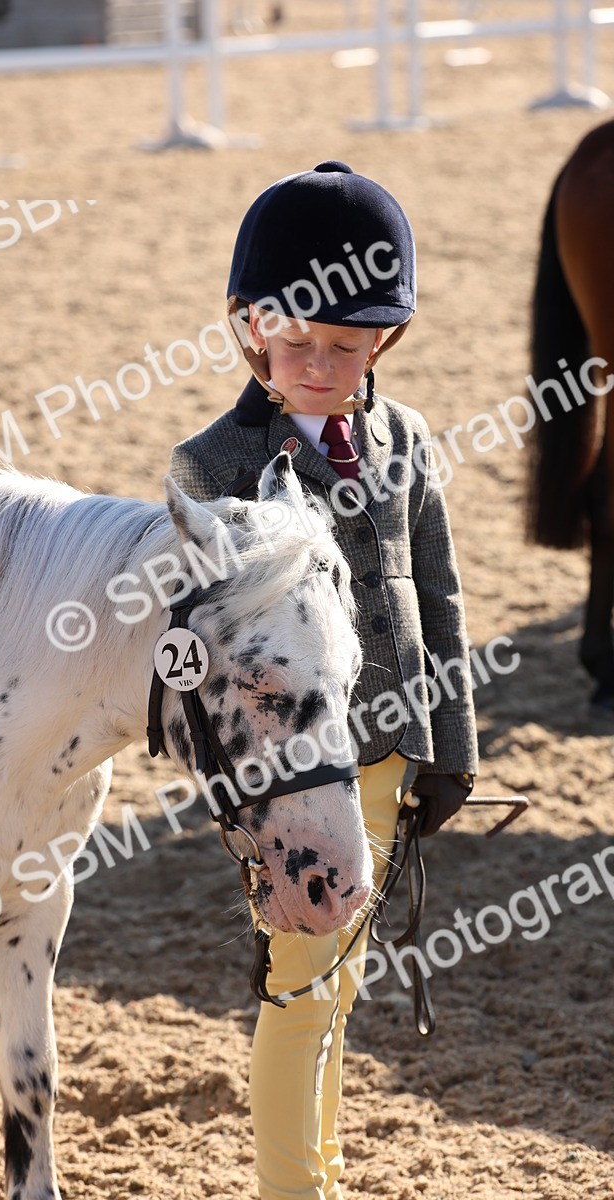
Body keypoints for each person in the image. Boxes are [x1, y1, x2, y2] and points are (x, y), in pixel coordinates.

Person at [169, 161, 478, 1200]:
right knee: (299, 993)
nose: (314, 364)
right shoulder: (209, 469)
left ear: (381, 339)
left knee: (336, 990)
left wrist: (453, 752)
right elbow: (201, 660)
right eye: (291, 340)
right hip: (295, 783)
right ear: (247, 324)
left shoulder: (404, 439)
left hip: (388, 756)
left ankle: (319, 1179)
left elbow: (437, 601)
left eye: (342, 347)